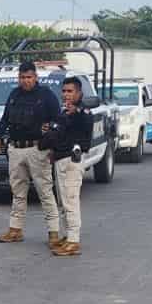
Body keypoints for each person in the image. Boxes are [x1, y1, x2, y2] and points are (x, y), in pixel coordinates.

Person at [0, 59, 61, 246]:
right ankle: (15, 229)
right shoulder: (14, 95)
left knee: (45, 191)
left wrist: (53, 138)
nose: (25, 81)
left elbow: (58, 120)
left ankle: (54, 232)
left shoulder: (46, 95)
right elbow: (5, 119)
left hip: (37, 149)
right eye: (22, 77)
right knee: (18, 192)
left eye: (29, 77)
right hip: (15, 149)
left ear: (35, 77)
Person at [41, 76, 93, 257]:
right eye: (64, 91)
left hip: (72, 161)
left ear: (79, 93)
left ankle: (73, 241)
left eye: (70, 91)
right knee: (63, 201)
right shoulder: (62, 114)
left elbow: (85, 127)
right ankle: (67, 235)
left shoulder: (83, 113)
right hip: (59, 160)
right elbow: (54, 136)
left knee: (71, 201)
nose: (66, 95)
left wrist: (76, 112)